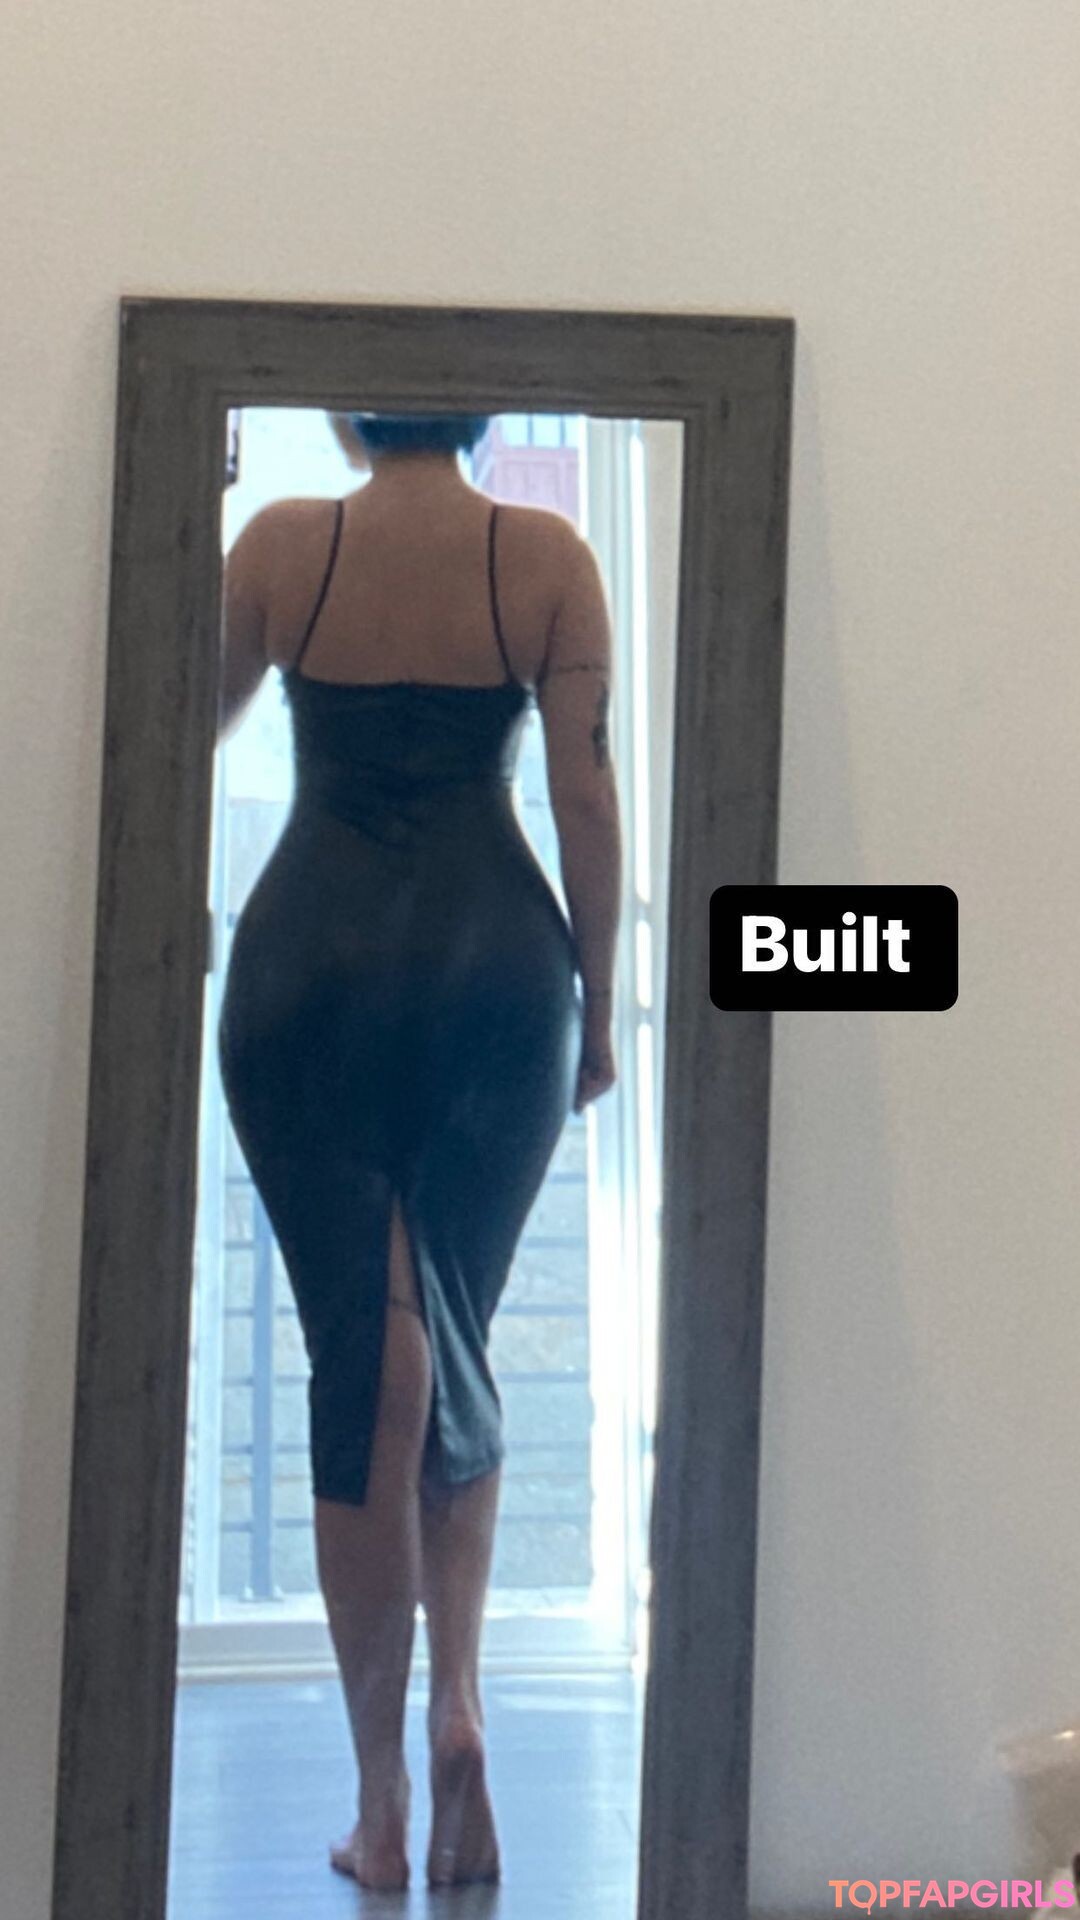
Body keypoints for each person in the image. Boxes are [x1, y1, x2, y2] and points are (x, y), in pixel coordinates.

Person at [215, 410, 622, 1891]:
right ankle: (461, 1707)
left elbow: (161, 726)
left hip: (309, 967)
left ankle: (381, 1801)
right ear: (483, 414)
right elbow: (585, 795)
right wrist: (597, 1010)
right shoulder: (548, 555)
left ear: (347, 414)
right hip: (495, 973)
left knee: (363, 1357)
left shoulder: (282, 547)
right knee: (453, 1339)